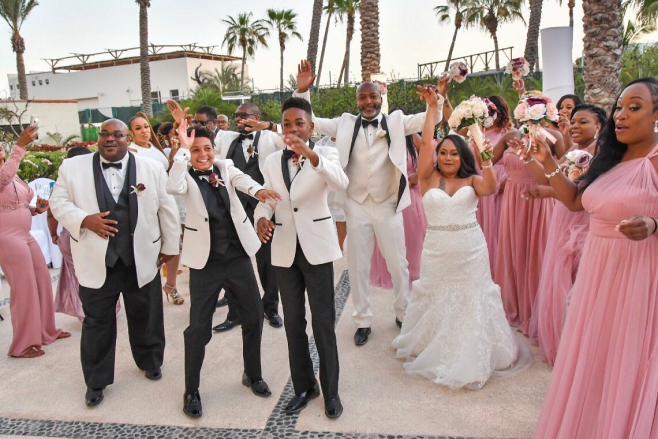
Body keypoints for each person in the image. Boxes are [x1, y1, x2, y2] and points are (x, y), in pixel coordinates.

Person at [530, 78, 658, 439]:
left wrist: (654, 223)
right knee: (597, 358)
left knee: (629, 358)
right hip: (597, 275)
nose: (621, 115)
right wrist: (548, 162)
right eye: (619, 107)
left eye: (635, 108)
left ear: (656, 115)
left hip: (639, 276)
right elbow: (574, 201)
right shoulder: (611, 156)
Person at [294, 60, 442, 346]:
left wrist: (435, 102)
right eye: (362, 97)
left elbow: (430, 120)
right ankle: (362, 320)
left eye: (373, 96)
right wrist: (303, 92)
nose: (368, 101)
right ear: (357, 101)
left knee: (398, 264)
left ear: (380, 98)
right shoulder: (346, 122)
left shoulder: (397, 121)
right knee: (358, 266)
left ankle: (403, 312)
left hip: (388, 204)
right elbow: (311, 123)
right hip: (355, 204)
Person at [392, 86, 527, 389]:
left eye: (454, 153)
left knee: (470, 300)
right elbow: (426, 140)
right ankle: (434, 346)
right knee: (438, 296)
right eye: (444, 153)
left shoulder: (473, 179)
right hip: (437, 252)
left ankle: (473, 353)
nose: (449, 157)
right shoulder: (428, 178)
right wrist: (431, 107)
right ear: (437, 156)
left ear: (463, 155)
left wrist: (487, 158)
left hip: (471, 252)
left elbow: (491, 188)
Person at [50, 118, 180, 407]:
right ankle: (96, 382)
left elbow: (166, 208)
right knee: (97, 323)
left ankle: (150, 361)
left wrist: (170, 247)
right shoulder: (73, 168)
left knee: (146, 315)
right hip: (97, 261)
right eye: (104, 134)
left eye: (117, 134)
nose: (110, 139)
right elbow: (57, 202)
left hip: (141, 259)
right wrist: (84, 219)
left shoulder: (152, 167)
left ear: (127, 139)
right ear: (98, 139)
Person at [167, 121, 279, 419]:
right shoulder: (184, 175)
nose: (202, 155)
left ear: (213, 149)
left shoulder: (225, 167)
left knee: (254, 316)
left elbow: (244, 180)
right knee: (198, 329)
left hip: (237, 255)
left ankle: (252, 375)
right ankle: (191, 390)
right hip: (206, 262)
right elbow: (173, 187)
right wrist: (181, 147)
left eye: (206, 149)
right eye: (196, 150)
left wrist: (260, 192)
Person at [255, 97, 348, 418]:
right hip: (283, 250)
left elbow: (341, 182)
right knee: (294, 324)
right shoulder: (271, 162)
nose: (292, 129)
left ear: (310, 126)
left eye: (299, 123)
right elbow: (268, 198)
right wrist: (261, 217)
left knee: (323, 323)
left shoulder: (326, 153)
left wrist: (310, 155)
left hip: (318, 249)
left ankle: (331, 393)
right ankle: (305, 387)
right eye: (287, 123)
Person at [168, 99, 285, 330]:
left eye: (247, 115)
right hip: (234, 210)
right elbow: (200, 139)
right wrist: (184, 123)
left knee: (267, 263)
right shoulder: (227, 137)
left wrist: (269, 126)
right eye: (238, 116)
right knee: (234, 266)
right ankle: (235, 314)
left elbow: (292, 138)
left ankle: (271, 308)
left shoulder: (272, 138)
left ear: (258, 116)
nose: (241, 119)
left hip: (263, 207)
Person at [524, 104, 605, 366]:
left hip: (583, 220)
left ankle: (581, 346)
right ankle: (562, 340)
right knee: (558, 278)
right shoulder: (572, 150)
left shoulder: (603, 154)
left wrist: (548, 193)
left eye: (584, 122)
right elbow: (550, 178)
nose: (576, 126)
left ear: (599, 126)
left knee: (575, 281)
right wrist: (528, 158)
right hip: (563, 216)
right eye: (574, 122)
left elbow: (587, 189)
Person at [492, 94, 565, 337]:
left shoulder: (556, 138)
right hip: (512, 200)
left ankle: (538, 311)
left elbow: (559, 175)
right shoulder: (511, 137)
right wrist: (475, 134)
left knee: (539, 252)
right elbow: (485, 160)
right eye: (527, 108)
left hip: (541, 199)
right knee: (515, 251)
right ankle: (515, 308)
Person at [0, 126, 68, 358]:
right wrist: (19, 146)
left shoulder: (11, 171)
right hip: (7, 238)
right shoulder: (6, 172)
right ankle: (22, 344)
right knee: (23, 289)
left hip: (25, 234)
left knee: (41, 279)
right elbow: (3, 179)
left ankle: (46, 330)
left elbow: (17, 203)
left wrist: (35, 209)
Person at [47, 146, 116, 322]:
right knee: (95, 274)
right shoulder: (98, 180)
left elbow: (52, 213)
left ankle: (87, 311)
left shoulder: (64, 181)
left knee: (80, 276)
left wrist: (53, 233)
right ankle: (96, 310)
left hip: (73, 235)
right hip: (79, 236)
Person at [129, 113, 184, 305]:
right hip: (148, 202)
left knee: (173, 242)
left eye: (145, 127)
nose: (144, 131)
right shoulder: (131, 151)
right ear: (131, 133)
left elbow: (167, 168)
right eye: (138, 128)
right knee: (152, 243)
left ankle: (171, 284)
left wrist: (175, 148)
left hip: (167, 198)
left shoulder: (155, 148)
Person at [370, 125, 426, 289]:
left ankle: (413, 271)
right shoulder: (382, 139)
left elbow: (429, 157)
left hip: (411, 192)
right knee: (389, 235)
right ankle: (392, 273)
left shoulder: (412, 137)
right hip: (389, 193)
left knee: (412, 234)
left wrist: (416, 175)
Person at [471, 95, 514, 272]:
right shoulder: (477, 133)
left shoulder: (507, 134)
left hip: (499, 185)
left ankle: (499, 269)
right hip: (480, 184)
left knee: (496, 228)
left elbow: (515, 161)